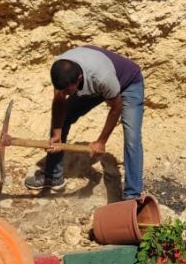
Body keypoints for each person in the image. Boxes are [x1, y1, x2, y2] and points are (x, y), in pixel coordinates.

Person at [25, 45, 145, 200]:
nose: (64, 93)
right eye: (62, 90)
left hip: (128, 84)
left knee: (132, 139)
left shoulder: (102, 77)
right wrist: (56, 135)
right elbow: (59, 101)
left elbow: (116, 107)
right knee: (63, 118)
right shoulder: (61, 71)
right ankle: (53, 176)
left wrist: (101, 142)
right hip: (98, 84)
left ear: (79, 79)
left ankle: (133, 195)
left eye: (68, 91)